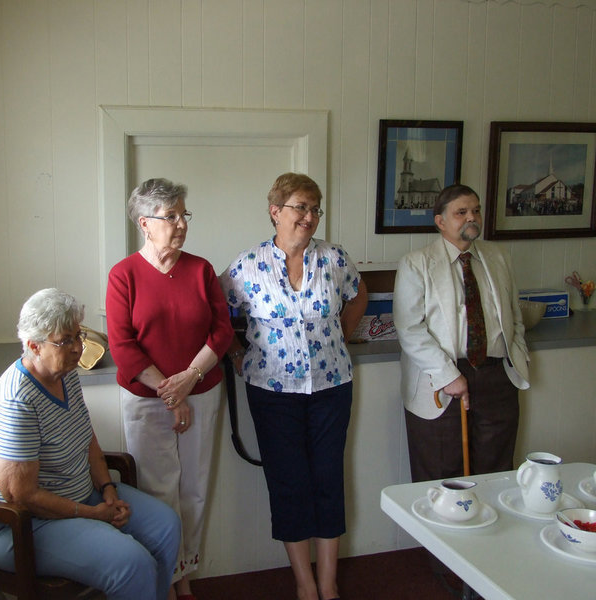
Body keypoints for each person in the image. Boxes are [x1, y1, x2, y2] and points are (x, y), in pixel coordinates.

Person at [0, 288, 181, 600]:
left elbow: (86, 438)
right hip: (21, 526)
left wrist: (108, 490)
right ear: (34, 346)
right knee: (131, 562)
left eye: (78, 335)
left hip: (84, 496)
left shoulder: (65, 374)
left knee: (167, 526)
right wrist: (91, 513)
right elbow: (20, 495)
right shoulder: (16, 399)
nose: (78, 348)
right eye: (66, 340)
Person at [220, 172, 367, 600]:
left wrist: (343, 332)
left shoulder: (335, 259)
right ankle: (304, 584)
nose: (309, 216)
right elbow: (217, 314)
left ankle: (328, 583)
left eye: (315, 208)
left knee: (327, 478)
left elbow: (359, 295)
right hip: (272, 391)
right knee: (288, 482)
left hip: (331, 385)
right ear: (275, 211)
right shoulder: (246, 266)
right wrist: (236, 352)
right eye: (300, 207)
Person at [106, 178, 234, 600]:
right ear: (145, 223)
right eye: (171, 216)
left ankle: (185, 572)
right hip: (147, 400)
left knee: (194, 488)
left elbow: (221, 332)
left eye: (184, 215)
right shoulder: (123, 275)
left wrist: (189, 380)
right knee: (157, 491)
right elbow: (123, 347)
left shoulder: (201, 270)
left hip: (201, 391)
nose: (181, 224)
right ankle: (166, 573)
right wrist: (169, 391)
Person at [392, 184, 530, 483]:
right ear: (440, 221)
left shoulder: (499, 257)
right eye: (461, 212)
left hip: (497, 377)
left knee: (496, 474)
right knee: (442, 477)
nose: (472, 218)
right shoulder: (416, 264)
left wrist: (515, 357)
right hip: (440, 380)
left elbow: (514, 316)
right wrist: (448, 375)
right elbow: (409, 328)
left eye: (476, 211)